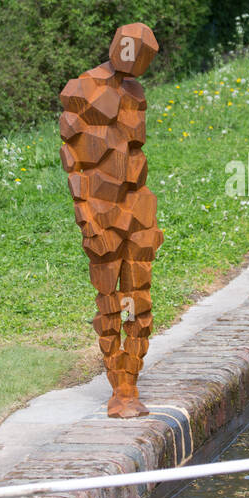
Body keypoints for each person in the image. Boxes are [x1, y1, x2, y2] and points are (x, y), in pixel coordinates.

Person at [59, 23, 164, 418]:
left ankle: (130, 382)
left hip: (137, 207)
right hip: (102, 211)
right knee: (108, 300)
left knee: (139, 300)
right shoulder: (82, 90)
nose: (139, 60)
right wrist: (86, 219)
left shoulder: (135, 93)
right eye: (136, 51)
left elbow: (135, 155)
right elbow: (73, 162)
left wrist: (147, 214)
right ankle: (117, 385)